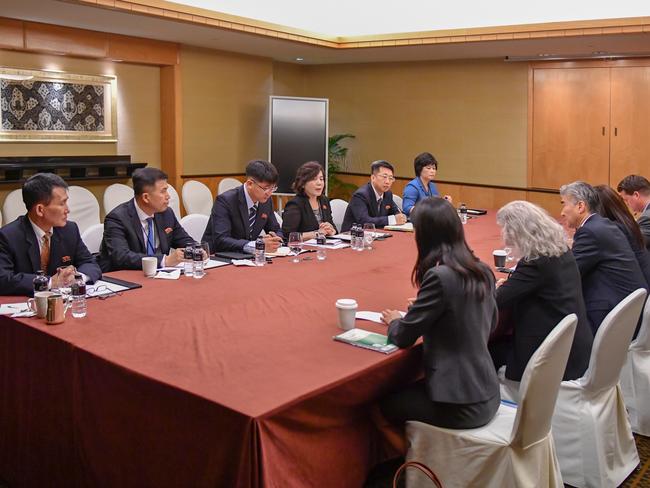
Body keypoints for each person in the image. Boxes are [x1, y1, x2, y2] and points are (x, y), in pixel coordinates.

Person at [378, 197, 499, 436]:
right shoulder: (482, 270)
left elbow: (403, 337)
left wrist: (394, 320)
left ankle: (410, 468)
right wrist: (433, 309)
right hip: (488, 393)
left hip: (460, 404)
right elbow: (490, 322)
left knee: (382, 405)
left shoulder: (440, 277)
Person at [491, 201, 593, 382]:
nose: (504, 235)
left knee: (487, 352)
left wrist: (495, 288)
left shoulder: (536, 262)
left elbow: (496, 300)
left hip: (551, 361)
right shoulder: (560, 250)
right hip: (574, 350)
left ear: (517, 231)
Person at [560, 181, 647, 334]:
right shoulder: (605, 225)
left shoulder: (590, 231)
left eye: (564, 204)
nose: (562, 212)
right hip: (631, 313)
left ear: (580, 206)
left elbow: (568, 275)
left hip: (613, 320)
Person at [0, 173, 101, 296]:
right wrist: (50, 282)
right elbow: (3, 279)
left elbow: (90, 263)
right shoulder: (8, 237)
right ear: (40, 210)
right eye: (62, 203)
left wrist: (78, 278)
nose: (67, 209)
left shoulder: (70, 230)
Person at [99, 167, 194, 272]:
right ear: (146, 197)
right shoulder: (117, 218)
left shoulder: (166, 213)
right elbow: (121, 257)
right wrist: (164, 261)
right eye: (163, 191)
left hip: (159, 276)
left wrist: (198, 249)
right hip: (125, 277)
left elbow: (185, 241)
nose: (168, 196)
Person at [202, 160, 283, 253]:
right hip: (218, 257)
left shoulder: (266, 201)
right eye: (265, 188)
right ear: (250, 184)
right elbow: (221, 240)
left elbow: (276, 229)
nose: (269, 193)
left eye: (273, 188)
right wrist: (257, 245)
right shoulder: (225, 201)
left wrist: (276, 239)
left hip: (247, 257)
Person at [594, 185, 650, 286]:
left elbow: (639, 242)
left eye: (626, 200)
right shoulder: (626, 224)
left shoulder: (612, 230)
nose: (626, 204)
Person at [340, 160, 407, 232]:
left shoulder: (387, 194)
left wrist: (401, 217)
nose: (387, 182)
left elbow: (395, 212)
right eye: (384, 177)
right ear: (373, 178)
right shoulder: (361, 195)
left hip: (376, 234)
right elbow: (364, 221)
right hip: (352, 237)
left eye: (391, 178)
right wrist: (392, 219)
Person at [281, 161, 337, 240]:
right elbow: (288, 235)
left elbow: (333, 228)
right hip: (303, 249)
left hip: (324, 246)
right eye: (314, 179)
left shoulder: (324, 200)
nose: (319, 183)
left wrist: (331, 230)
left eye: (321, 179)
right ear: (303, 183)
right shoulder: (295, 204)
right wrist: (317, 234)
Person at [617, 175, 650, 250]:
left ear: (636, 195)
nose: (626, 203)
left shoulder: (646, 218)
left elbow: (636, 246)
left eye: (626, 199)